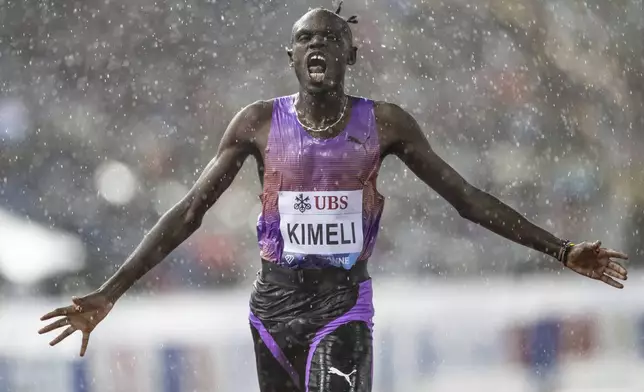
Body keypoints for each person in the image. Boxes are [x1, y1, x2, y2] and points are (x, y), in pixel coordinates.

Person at [38, 4, 629, 392]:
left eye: (329, 37)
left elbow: (467, 199)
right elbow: (190, 212)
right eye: (304, 39)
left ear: (351, 54)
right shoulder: (257, 125)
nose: (317, 45)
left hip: (342, 307)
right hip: (271, 312)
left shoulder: (386, 124)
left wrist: (561, 249)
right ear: (290, 57)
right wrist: (111, 291)